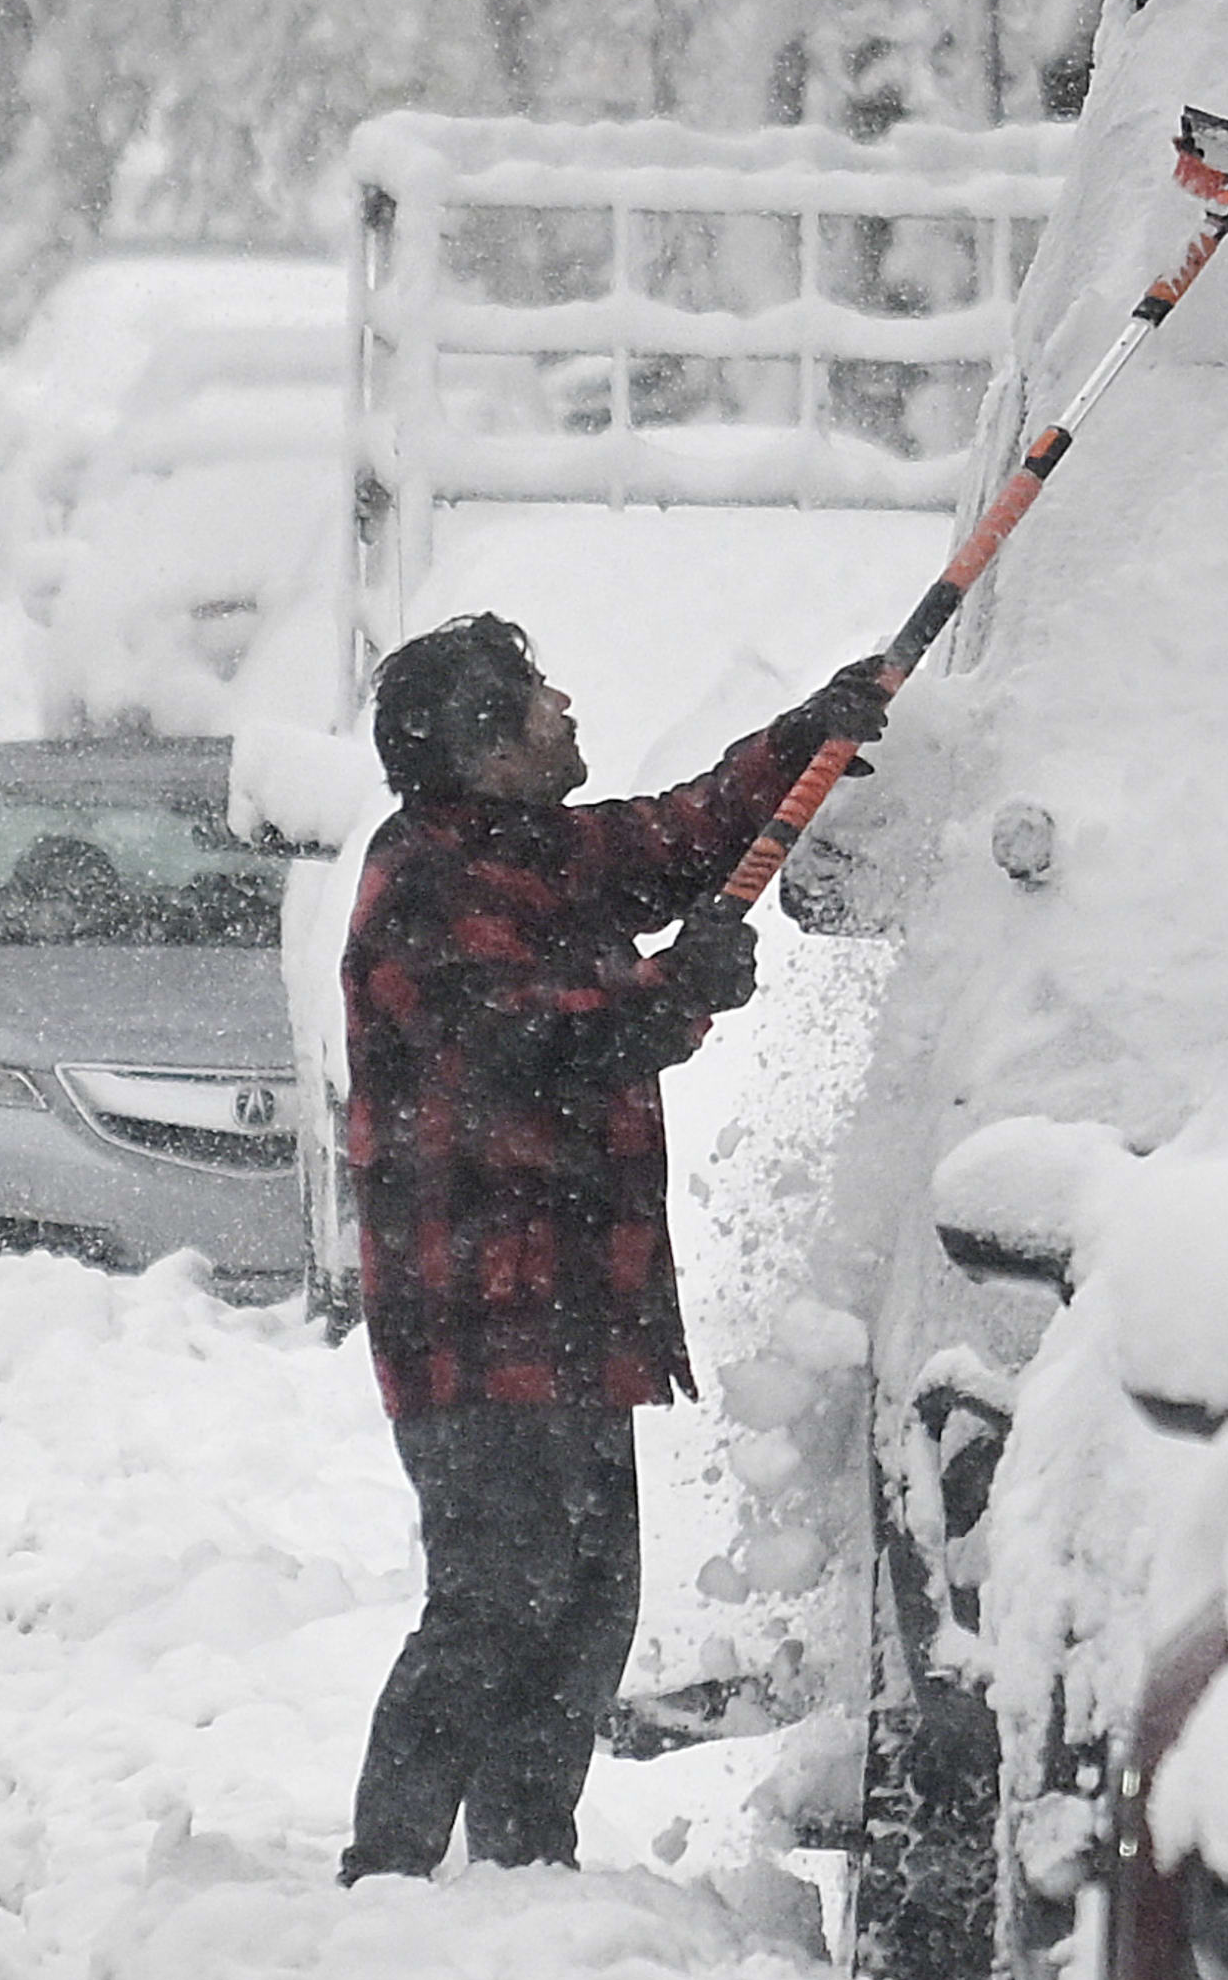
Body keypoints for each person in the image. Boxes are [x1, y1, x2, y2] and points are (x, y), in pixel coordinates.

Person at [338, 611, 889, 1881]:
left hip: (577, 1309)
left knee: (585, 1608)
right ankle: (386, 1873)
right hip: (477, 1322)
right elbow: (533, 1044)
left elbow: (679, 837)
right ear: (482, 748)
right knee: (494, 1602)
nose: (566, 709)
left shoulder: (539, 848)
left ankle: (528, 1868)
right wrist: (675, 986)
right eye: (538, 698)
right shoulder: (424, 880)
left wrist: (800, 738)